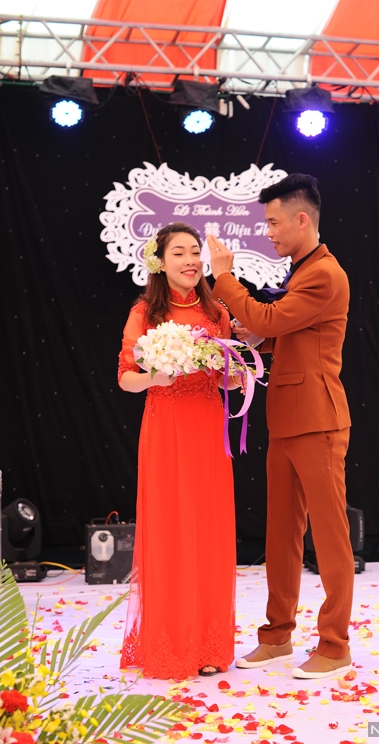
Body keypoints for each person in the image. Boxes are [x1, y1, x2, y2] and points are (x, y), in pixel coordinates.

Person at [207, 173, 354, 680]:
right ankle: (277, 636)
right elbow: (282, 332)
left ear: (301, 219)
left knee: (330, 537)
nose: (267, 232)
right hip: (289, 419)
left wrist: (225, 278)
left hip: (318, 420)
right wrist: (254, 336)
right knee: (281, 534)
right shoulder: (303, 271)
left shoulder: (323, 274)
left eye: (272, 223)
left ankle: (335, 645)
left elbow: (272, 321)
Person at [118, 221, 242, 680]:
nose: (191, 261)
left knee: (208, 530)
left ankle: (209, 644)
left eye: (195, 252)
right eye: (179, 253)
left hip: (207, 429)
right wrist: (156, 377)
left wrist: (236, 375)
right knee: (170, 531)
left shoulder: (217, 312)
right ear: (160, 263)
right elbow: (126, 377)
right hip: (165, 428)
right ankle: (169, 643)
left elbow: (227, 376)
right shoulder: (144, 313)